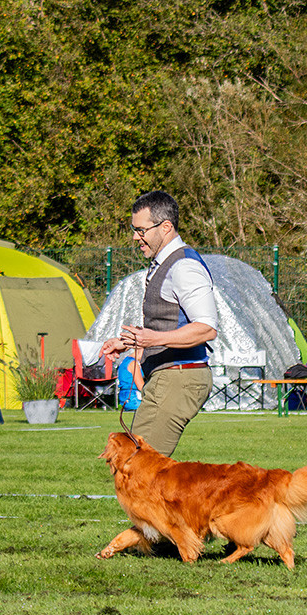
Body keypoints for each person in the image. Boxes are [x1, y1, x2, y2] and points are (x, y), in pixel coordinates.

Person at [102, 191, 218, 457]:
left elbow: (206, 328)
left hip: (180, 377)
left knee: (137, 468)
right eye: (134, 230)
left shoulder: (184, 266)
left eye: (141, 230)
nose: (135, 237)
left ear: (166, 227)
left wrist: (151, 339)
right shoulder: (163, 263)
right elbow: (168, 325)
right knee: (141, 472)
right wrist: (128, 342)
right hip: (168, 375)